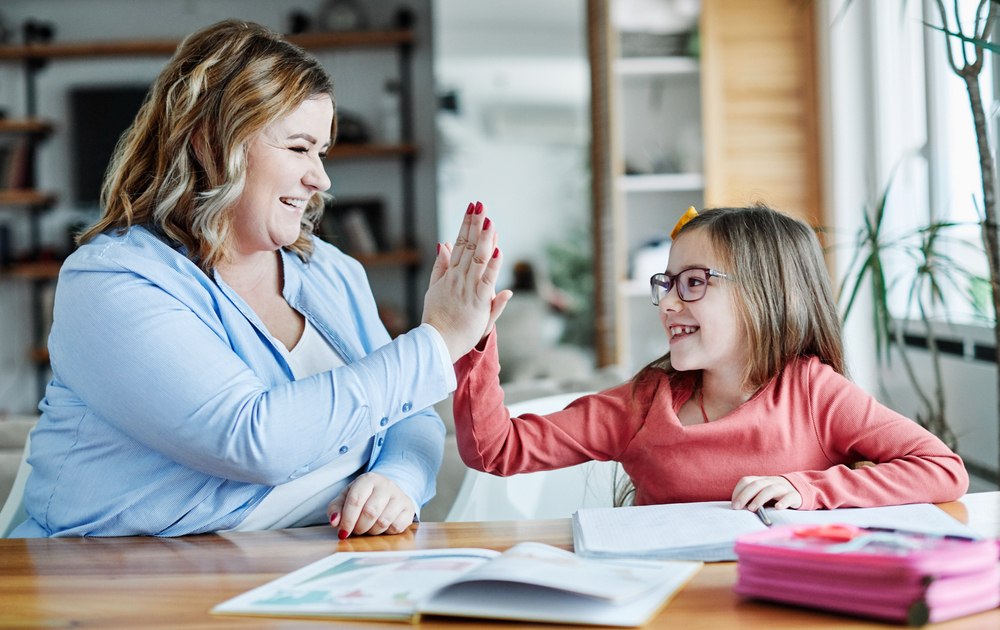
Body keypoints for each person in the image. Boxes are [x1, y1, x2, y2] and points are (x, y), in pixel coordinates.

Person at [13, 20, 507, 538]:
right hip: (123, 580)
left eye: (321, 151)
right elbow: (253, 440)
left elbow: (410, 417)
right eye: (298, 148)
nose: (321, 178)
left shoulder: (332, 272)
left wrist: (397, 479)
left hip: (319, 570)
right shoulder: (111, 281)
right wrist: (437, 341)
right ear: (208, 144)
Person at [452, 205, 969, 513]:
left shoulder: (814, 391)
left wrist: (805, 488)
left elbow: (943, 470)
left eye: (694, 282)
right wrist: (475, 339)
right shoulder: (641, 405)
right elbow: (495, 449)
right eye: (667, 283)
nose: (670, 302)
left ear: (769, 294)